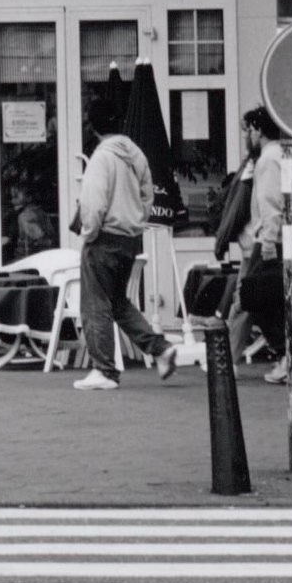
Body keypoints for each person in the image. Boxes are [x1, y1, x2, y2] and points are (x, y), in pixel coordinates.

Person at [72, 120, 176, 390]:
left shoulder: (101, 157)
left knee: (95, 305)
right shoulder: (136, 155)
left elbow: (93, 202)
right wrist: (135, 222)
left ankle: (104, 371)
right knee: (118, 303)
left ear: (95, 127)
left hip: (104, 237)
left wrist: (89, 232)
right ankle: (160, 348)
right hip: (129, 239)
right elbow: (148, 196)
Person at [217, 108, 290, 384]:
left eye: (248, 130)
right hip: (272, 238)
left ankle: (284, 355)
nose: (247, 136)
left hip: (267, 240)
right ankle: (236, 358)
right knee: (255, 298)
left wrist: (268, 242)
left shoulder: (268, 159)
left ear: (259, 130)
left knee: (253, 298)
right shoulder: (280, 155)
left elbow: (270, 204)